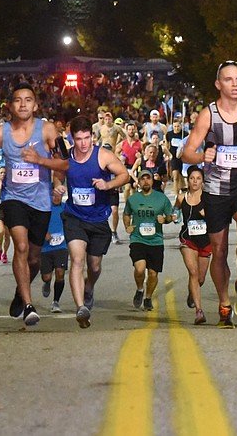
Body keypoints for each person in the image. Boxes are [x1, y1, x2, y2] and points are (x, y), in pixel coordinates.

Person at [181, 60, 237, 328]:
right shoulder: (208, 115)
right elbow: (186, 152)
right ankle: (224, 303)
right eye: (229, 80)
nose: (235, 84)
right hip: (216, 188)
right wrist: (201, 155)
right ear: (218, 84)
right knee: (219, 251)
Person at [0, 82, 69, 328]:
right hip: (13, 198)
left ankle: (20, 293)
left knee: (34, 258)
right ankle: (30, 305)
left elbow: (65, 163)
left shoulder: (48, 130)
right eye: (18, 100)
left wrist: (40, 160)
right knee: (20, 247)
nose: (23, 104)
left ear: (35, 105)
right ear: (10, 105)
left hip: (41, 201)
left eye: (28, 100)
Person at [54, 115, 130, 329]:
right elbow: (58, 177)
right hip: (74, 216)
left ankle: (89, 287)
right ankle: (81, 307)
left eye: (87, 138)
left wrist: (108, 184)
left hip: (98, 219)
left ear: (92, 137)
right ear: (72, 138)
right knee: (77, 260)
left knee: (94, 266)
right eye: (79, 139)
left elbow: (124, 175)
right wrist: (58, 186)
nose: (83, 143)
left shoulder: (103, 156)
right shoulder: (66, 158)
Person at [123, 169, 175, 311]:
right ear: (138, 182)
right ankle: (140, 289)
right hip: (138, 239)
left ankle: (148, 297)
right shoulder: (133, 199)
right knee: (139, 269)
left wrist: (165, 219)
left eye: (148, 178)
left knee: (153, 273)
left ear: (152, 181)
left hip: (156, 240)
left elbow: (171, 216)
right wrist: (127, 226)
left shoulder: (161, 198)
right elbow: (126, 214)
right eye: (142, 179)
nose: (146, 181)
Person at [174, 165, 211, 325]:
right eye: (192, 179)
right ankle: (199, 311)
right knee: (193, 273)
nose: (195, 182)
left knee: (201, 278)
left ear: (203, 182)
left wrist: (208, 215)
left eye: (198, 179)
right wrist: (174, 215)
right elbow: (175, 211)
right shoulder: (182, 197)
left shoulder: (209, 198)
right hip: (187, 239)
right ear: (188, 181)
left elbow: (219, 219)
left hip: (205, 241)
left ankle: (192, 293)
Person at [41, 195, 69, 313]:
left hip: (62, 245)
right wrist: (43, 233)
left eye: (59, 196)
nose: (57, 198)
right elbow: (34, 223)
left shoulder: (66, 208)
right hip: (45, 247)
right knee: (46, 276)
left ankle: (56, 301)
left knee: (60, 273)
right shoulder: (43, 209)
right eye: (54, 195)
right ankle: (46, 283)